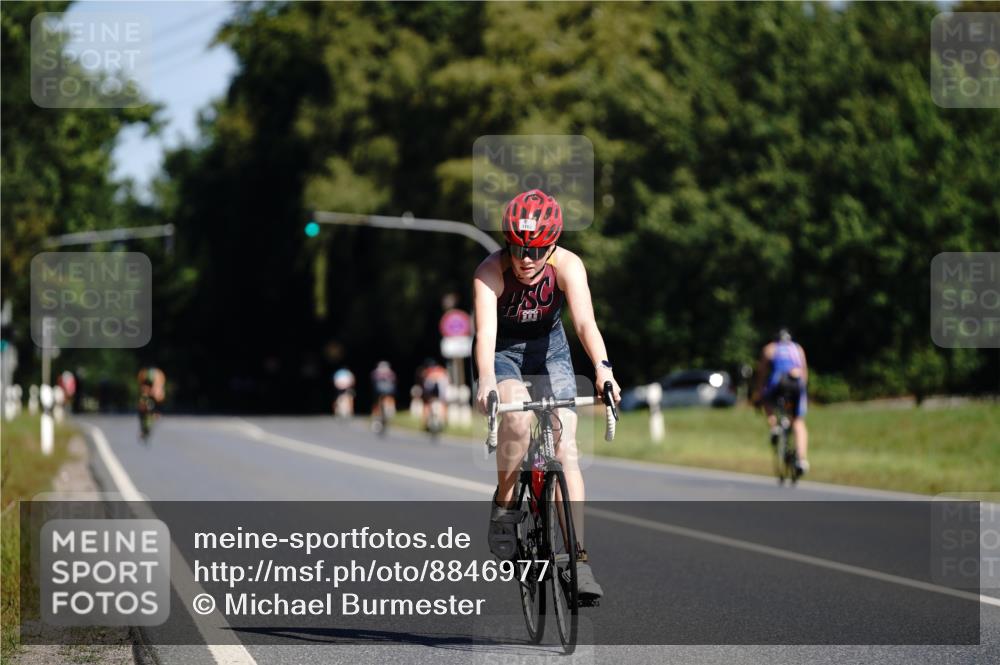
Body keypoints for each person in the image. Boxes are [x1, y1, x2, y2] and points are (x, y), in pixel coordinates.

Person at [473, 189, 622, 601]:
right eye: (518, 246)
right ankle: (504, 507)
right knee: (518, 422)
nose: (525, 258)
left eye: (536, 250)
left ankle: (578, 559)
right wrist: (486, 380)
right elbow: (485, 336)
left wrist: (603, 371)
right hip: (505, 354)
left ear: (552, 244)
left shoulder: (568, 266)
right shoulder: (490, 272)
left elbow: (586, 325)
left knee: (565, 445)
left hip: (550, 350)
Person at [754, 328, 810, 475]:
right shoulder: (798, 349)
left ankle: (774, 426)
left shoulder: (770, 348)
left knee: (766, 400)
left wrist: (759, 392)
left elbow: (762, 372)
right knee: (798, 421)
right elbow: (804, 372)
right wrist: (802, 394)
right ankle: (801, 459)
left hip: (779, 383)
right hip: (797, 383)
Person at [419, 358, 449, 430]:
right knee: (443, 403)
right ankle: (444, 420)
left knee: (426, 402)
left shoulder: (427, 371)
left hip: (433, 387)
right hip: (441, 387)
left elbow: (424, 382)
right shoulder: (441, 370)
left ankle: (425, 422)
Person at [370, 360, 397, 425]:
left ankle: (377, 415)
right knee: (387, 399)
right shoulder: (390, 372)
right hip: (387, 391)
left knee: (377, 401)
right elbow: (394, 381)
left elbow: (372, 380)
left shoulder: (376, 372)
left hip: (379, 391)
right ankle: (388, 411)